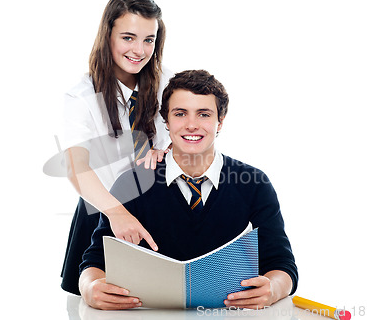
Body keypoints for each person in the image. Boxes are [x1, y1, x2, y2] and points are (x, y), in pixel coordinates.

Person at [78, 70, 298, 310]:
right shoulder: (132, 182)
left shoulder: (255, 184)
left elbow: (281, 264)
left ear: (220, 122)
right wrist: (90, 288)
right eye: (180, 114)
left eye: (204, 114)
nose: (192, 125)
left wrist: (273, 289)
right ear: (167, 122)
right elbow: (95, 260)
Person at [60, 0, 173, 295]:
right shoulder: (82, 97)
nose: (139, 50)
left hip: (156, 215)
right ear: (107, 34)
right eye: (128, 37)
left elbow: (193, 139)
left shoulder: (168, 86)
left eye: (149, 39)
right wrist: (117, 214)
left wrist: (170, 151)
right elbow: (75, 165)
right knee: (98, 304)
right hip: (103, 215)